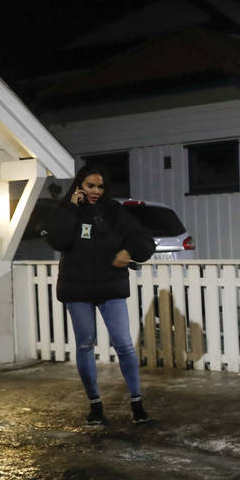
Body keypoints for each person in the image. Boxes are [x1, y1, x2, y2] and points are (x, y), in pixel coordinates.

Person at [44, 164, 156, 426]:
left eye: (100, 186)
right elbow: (58, 239)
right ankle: (95, 403)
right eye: (90, 186)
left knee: (123, 343)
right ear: (79, 186)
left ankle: (136, 401)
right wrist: (72, 207)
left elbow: (143, 239)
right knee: (85, 344)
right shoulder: (65, 211)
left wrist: (129, 251)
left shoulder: (113, 211)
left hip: (110, 286)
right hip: (77, 289)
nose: (95, 191)